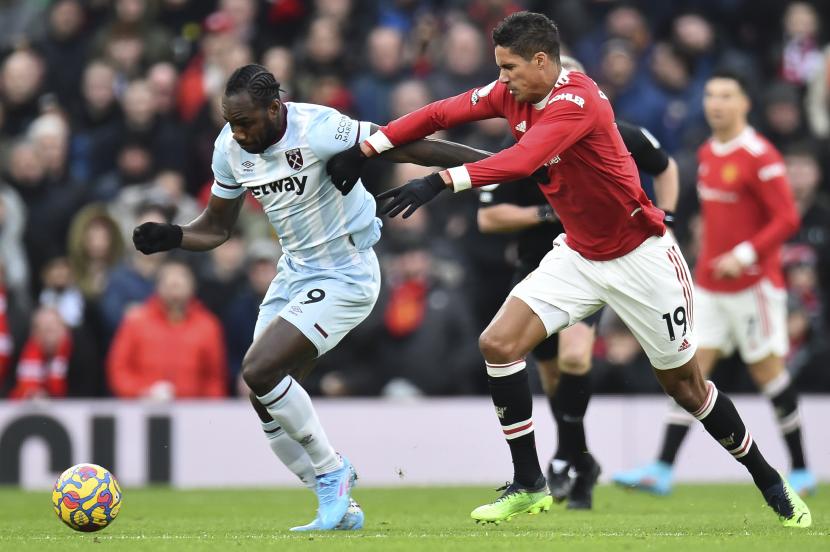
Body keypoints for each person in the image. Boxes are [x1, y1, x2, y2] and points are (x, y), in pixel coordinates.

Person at [327, 12, 811, 527]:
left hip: (641, 259)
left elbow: (520, 160)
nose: (503, 79)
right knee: (499, 344)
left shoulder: (576, 102)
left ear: (542, 61)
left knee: (687, 388)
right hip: (579, 254)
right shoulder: (512, 92)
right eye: (499, 68)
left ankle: (770, 481)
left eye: (510, 67)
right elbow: (441, 112)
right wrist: (366, 150)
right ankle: (529, 482)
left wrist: (438, 182)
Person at [130, 63, 515, 531]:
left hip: (347, 271)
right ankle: (337, 505)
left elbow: (406, 142)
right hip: (294, 272)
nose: (239, 132)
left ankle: (333, 470)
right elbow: (215, 228)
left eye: (246, 121)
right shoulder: (229, 149)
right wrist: (173, 236)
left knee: (258, 369)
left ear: (275, 108)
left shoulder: (320, 126)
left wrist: (497, 167)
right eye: (230, 122)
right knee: (262, 394)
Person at [477, 54, 679, 509]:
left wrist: (669, 216)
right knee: (549, 374)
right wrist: (548, 212)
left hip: (593, 259)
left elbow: (665, 165)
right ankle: (579, 457)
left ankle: (566, 460)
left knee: (574, 356)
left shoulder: (613, 131)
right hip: (538, 263)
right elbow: (488, 217)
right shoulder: (522, 141)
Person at [613, 70, 816, 497]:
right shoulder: (707, 152)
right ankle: (662, 469)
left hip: (753, 287)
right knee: (691, 372)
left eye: (726, 95)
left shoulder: (760, 155)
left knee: (769, 374)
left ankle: (800, 469)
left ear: (745, 103)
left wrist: (743, 255)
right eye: (709, 95)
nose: (715, 103)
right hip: (708, 286)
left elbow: (787, 219)